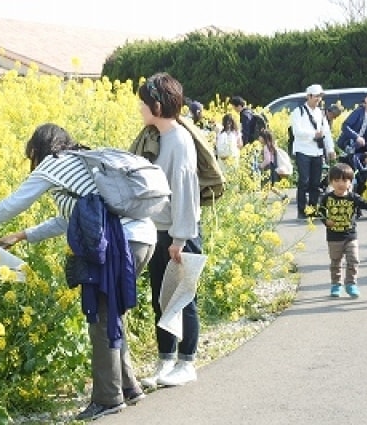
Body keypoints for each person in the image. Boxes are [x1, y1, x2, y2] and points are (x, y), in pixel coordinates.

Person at [0, 123, 157, 421]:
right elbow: (74, 219)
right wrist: (22, 235)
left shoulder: (52, 164)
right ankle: (129, 387)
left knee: (102, 317)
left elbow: (15, 202)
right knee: (113, 313)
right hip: (143, 237)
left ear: (38, 148)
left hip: (119, 242)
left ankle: (108, 398)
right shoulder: (83, 161)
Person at [137, 72, 203, 387]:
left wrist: (180, 238)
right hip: (160, 230)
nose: (140, 108)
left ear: (158, 106)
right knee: (160, 299)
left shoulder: (179, 141)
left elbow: (186, 191)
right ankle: (166, 361)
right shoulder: (157, 137)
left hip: (180, 234)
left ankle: (186, 363)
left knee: (182, 298)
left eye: (144, 103)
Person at [318, 162, 367, 298]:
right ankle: (336, 285)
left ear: (350, 182)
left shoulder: (353, 197)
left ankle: (351, 283)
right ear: (331, 182)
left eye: (345, 180)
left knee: (354, 260)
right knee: (336, 262)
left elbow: (366, 205)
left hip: (350, 235)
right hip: (333, 237)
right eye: (336, 180)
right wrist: (326, 220)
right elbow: (319, 211)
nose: (340, 184)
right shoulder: (327, 198)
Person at [290, 84, 337, 219]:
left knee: (315, 183)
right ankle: (301, 210)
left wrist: (330, 149)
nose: (318, 99)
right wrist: (313, 135)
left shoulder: (320, 113)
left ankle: (312, 209)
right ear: (308, 96)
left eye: (320, 96)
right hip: (303, 150)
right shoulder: (298, 112)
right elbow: (297, 132)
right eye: (316, 96)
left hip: (317, 151)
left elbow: (326, 133)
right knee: (304, 181)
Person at [258, 128, 288, 200]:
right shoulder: (272, 146)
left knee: (265, 186)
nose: (259, 138)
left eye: (260, 137)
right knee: (272, 186)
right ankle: (282, 196)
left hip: (268, 168)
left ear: (264, 138)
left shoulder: (265, 147)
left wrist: (261, 165)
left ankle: (263, 201)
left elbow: (267, 160)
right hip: (273, 167)